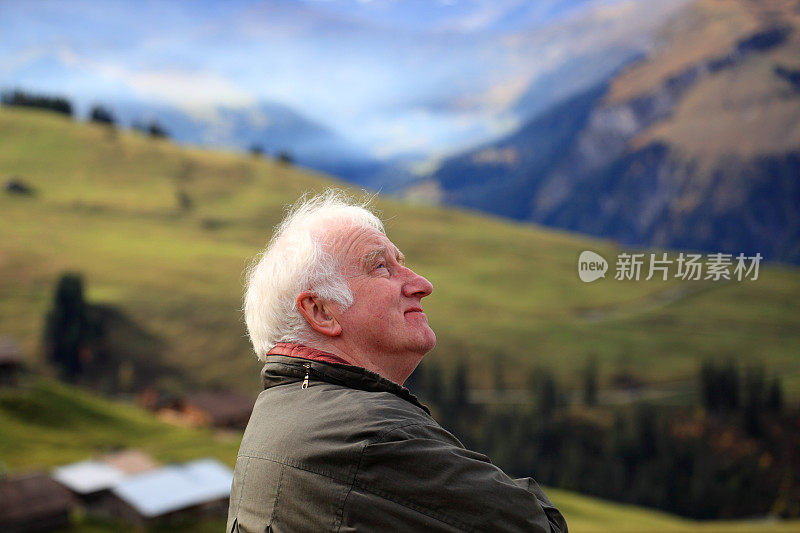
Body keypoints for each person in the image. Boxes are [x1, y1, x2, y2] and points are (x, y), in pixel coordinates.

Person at [227, 189, 567, 532]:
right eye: (380, 267)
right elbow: (539, 526)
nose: (422, 284)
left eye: (400, 262)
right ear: (320, 311)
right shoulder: (372, 434)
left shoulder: (274, 415)